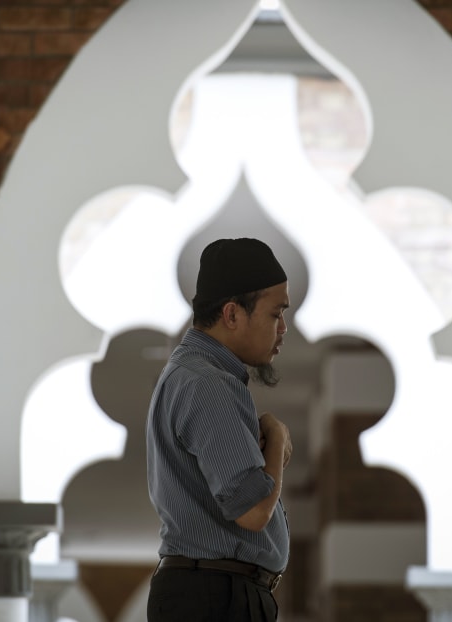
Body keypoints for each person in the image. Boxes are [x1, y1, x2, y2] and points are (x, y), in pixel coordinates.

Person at [146, 237, 292, 622]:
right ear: (232, 315)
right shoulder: (207, 383)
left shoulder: (194, 376)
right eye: (276, 314)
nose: (283, 329)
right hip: (214, 597)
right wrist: (276, 439)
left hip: (211, 593)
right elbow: (254, 510)